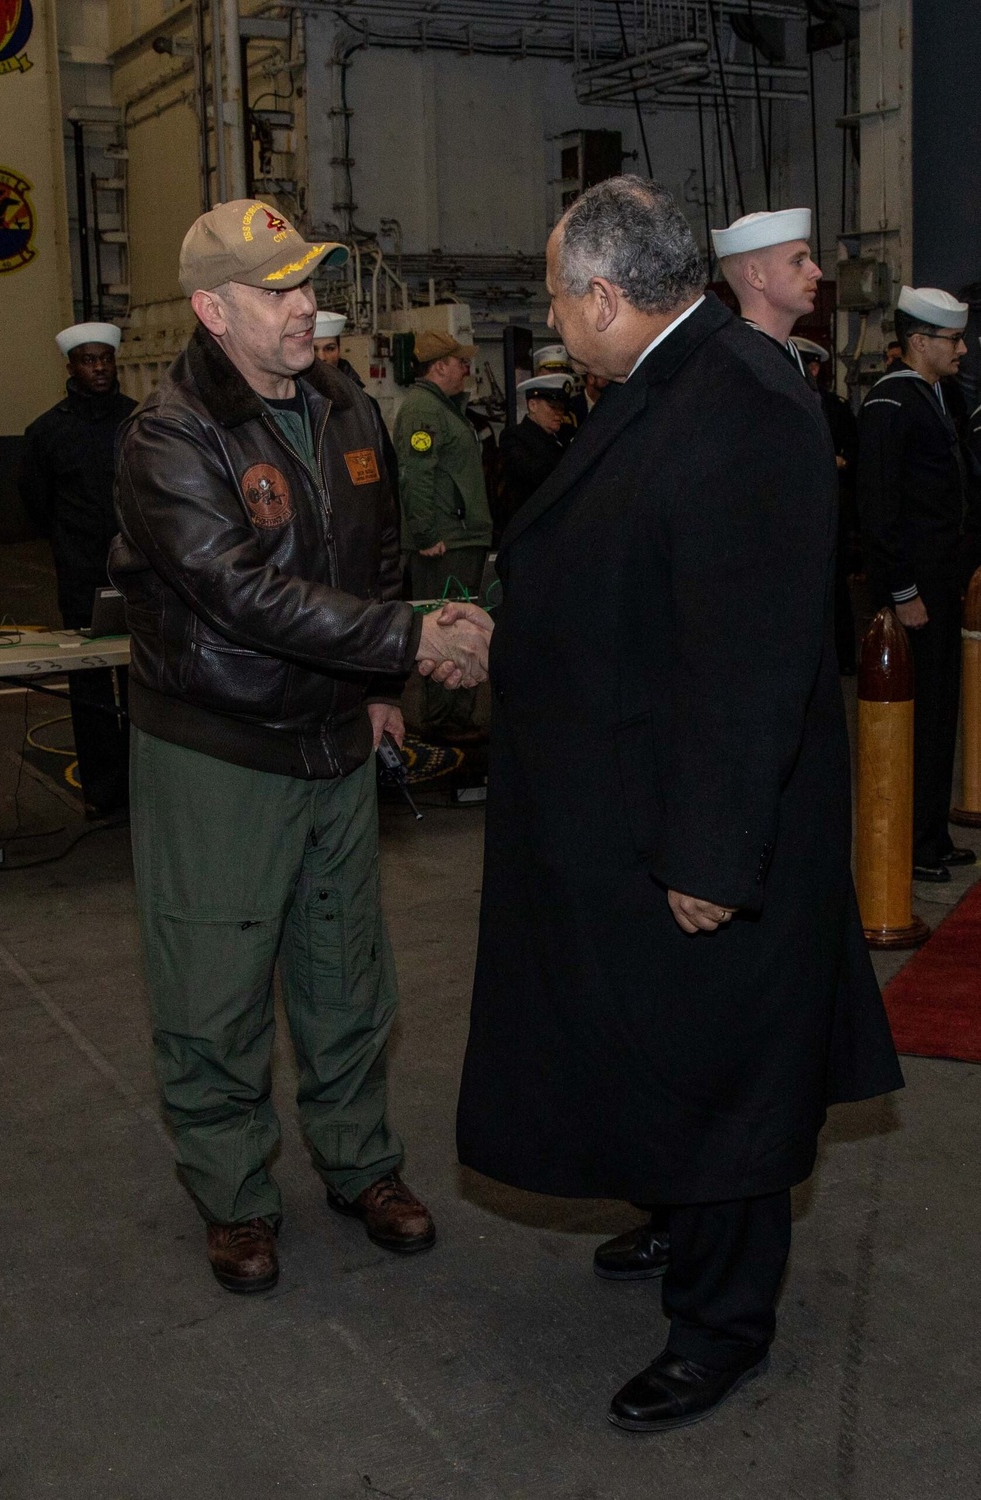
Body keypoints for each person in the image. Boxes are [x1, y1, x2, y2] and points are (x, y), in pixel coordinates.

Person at [452, 175, 902, 1432]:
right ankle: (677, 1219)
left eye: (555, 294)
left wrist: (714, 855)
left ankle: (722, 1328)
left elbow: (750, 659)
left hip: (707, 831)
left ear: (603, 295)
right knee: (664, 1053)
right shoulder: (671, 379)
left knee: (727, 1083)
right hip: (638, 810)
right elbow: (630, 577)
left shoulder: (741, 400)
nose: (554, 317)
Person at [109, 199, 491, 1294]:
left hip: (330, 732)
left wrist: (377, 684)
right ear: (210, 308)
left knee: (345, 973)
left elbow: (367, 557)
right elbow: (239, 594)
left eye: (306, 285)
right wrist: (413, 642)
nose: (305, 308)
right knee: (215, 986)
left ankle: (361, 1165)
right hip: (220, 747)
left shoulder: (340, 403)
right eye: (278, 291)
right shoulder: (169, 433)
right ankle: (233, 1197)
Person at [858, 284, 979, 882]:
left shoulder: (936, 397)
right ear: (920, 343)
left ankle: (930, 835)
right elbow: (879, 510)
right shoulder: (891, 403)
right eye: (953, 340)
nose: (962, 350)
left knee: (938, 719)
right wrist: (902, 593)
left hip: (941, 586)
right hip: (916, 595)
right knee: (915, 722)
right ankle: (910, 842)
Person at [18, 322, 136, 819]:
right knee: (89, 682)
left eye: (105, 359)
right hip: (80, 573)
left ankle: (144, 785)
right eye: (89, 360)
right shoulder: (47, 432)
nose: (99, 368)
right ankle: (103, 793)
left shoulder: (139, 420)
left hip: (137, 570)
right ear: (71, 367)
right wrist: (74, 542)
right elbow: (35, 504)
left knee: (142, 678)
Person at [392, 330, 492, 743]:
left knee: (461, 630)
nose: (466, 370)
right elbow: (416, 475)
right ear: (439, 367)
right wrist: (426, 532)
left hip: (458, 538)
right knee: (443, 632)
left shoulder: (440, 408)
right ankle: (439, 725)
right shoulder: (422, 409)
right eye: (460, 363)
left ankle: (457, 719)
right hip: (443, 542)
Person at [795, 337, 860, 674]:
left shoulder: (833, 406)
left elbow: (854, 453)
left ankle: (844, 661)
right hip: (799, 514)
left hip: (832, 509)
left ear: (815, 368)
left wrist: (837, 461)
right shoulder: (786, 401)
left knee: (835, 591)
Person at [712, 208, 822, 381]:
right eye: (798, 261)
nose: (816, 272)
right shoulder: (738, 365)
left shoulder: (781, 355)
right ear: (755, 277)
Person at [309, 308, 398, 495]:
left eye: (329, 348)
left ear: (339, 351)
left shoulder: (364, 404)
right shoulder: (294, 404)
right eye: (314, 349)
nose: (322, 357)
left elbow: (387, 470)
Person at [496, 373, 573, 531]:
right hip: (532, 526)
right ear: (532, 405)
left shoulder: (565, 436)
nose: (559, 413)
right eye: (552, 406)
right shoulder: (514, 437)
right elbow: (535, 473)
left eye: (561, 407)